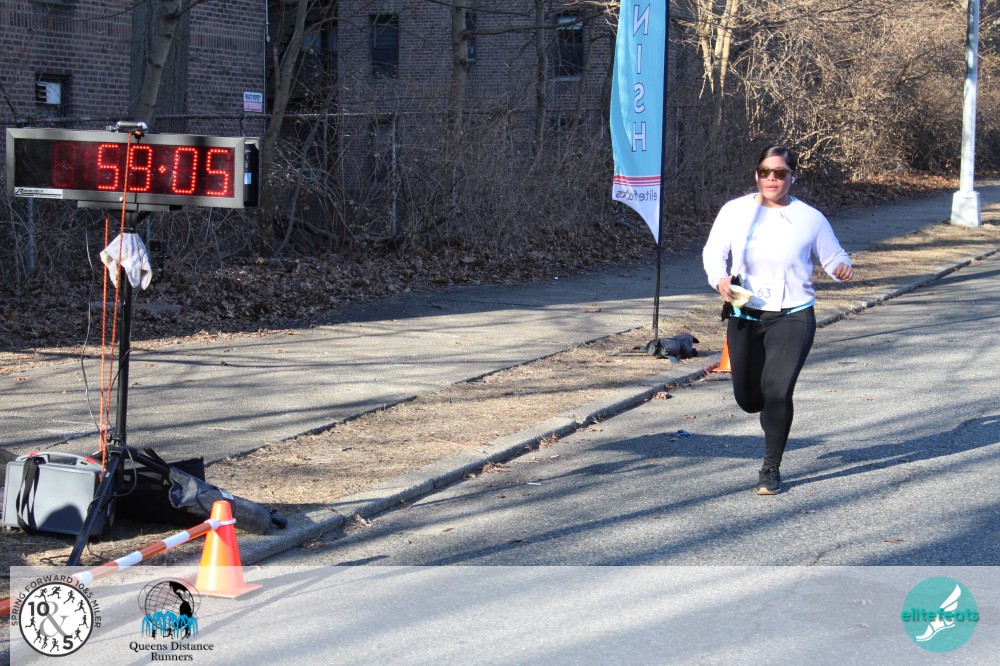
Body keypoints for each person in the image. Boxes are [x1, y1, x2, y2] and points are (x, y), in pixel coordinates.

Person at [702, 145, 853, 495]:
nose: (772, 179)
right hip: (745, 311)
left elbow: (834, 257)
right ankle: (766, 411)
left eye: (780, 173)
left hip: (793, 314)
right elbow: (714, 251)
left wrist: (841, 268)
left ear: (792, 176)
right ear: (756, 175)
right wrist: (719, 279)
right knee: (749, 399)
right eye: (765, 172)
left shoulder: (810, 218)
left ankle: (770, 468)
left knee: (777, 390)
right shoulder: (735, 211)